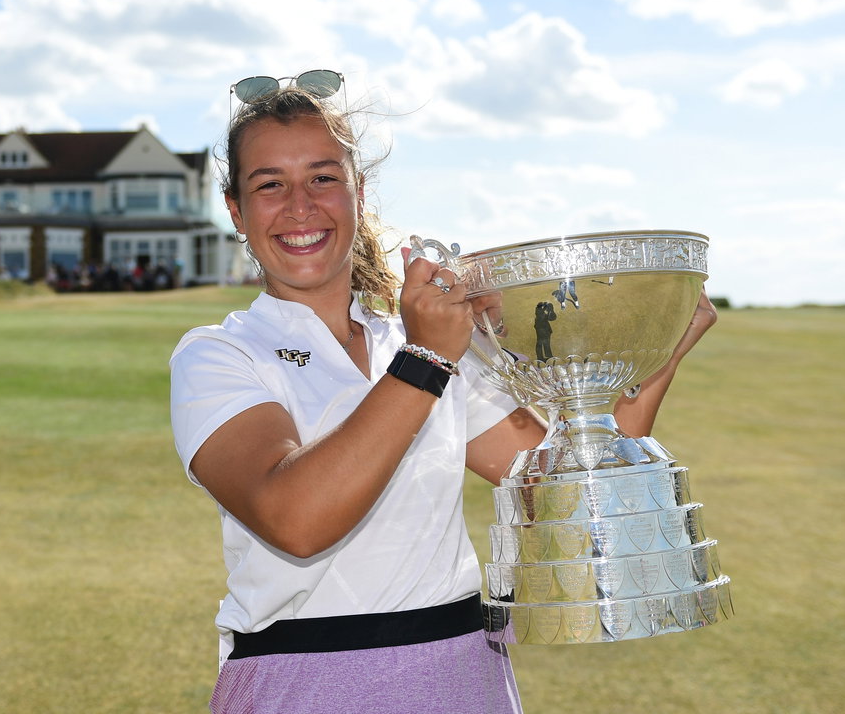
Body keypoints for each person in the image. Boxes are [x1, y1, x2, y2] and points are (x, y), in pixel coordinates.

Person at [169, 76, 716, 713]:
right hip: (306, 683)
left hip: (462, 676)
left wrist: (662, 346)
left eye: (323, 177)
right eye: (270, 184)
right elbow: (295, 519)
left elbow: (565, 492)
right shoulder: (220, 353)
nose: (300, 206)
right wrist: (427, 359)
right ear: (235, 210)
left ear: (358, 192)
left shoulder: (426, 340)